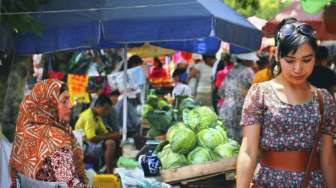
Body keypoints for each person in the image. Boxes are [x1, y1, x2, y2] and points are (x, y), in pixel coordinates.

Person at [237, 21, 336, 187]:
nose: (298, 68)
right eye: (290, 60)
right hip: (269, 182)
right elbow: (248, 152)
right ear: (277, 56)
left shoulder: (323, 99)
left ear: (315, 58)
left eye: (306, 60)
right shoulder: (260, 94)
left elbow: (328, 158)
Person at [9, 79, 87, 187]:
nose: (70, 106)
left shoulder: (23, 133)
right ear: (48, 104)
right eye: (64, 101)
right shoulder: (57, 139)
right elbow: (70, 184)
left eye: (70, 100)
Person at [75, 95, 121, 173]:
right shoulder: (89, 117)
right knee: (110, 143)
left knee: (114, 141)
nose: (106, 112)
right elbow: (91, 138)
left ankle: (110, 167)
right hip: (83, 145)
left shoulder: (96, 116)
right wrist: (111, 136)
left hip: (89, 142)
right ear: (99, 106)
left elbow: (105, 132)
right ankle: (109, 172)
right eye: (105, 109)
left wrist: (113, 135)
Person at [218, 51, 257, 142]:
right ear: (246, 60)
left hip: (226, 108)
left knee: (228, 141)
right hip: (239, 110)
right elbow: (256, 91)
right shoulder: (248, 71)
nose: (253, 63)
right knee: (238, 143)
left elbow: (221, 92)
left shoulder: (231, 71)